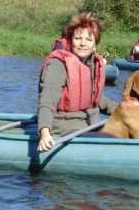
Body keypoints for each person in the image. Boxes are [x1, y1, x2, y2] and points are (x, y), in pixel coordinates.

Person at [37, 12, 118, 153]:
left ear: (95, 45)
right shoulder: (58, 65)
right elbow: (47, 102)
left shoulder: (91, 64)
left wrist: (124, 110)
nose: (82, 43)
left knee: (132, 129)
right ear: (69, 41)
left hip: (89, 125)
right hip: (65, 130)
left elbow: (95, 99)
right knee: (117, 137)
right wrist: (44, 134)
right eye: (78, 38)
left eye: (89, 39)